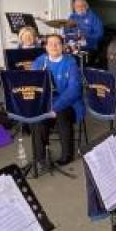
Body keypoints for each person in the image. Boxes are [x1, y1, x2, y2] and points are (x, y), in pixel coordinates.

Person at [31, 34, 83, 167]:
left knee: (62, 115)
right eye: (51, 44)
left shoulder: (70, 62)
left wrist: (55, 107)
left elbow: (74, 90)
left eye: (58, 44)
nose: (54, 46)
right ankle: (40, 158)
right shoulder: (39, 62)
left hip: (69, 102)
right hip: (46, 103)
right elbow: (34, 86)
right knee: (38, 117)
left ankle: (67, 155)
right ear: (46, 47)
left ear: (63, 47)